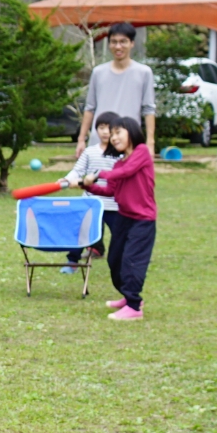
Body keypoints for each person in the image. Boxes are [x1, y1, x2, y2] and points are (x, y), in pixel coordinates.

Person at [64, 115, 154, 320]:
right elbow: (110, 191)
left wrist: (97, 175)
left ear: (131, 131)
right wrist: (85, 185)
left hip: (142, 219)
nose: (113, 137)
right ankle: (129, 297)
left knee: (132, 261)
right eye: (111, 134)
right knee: (115, 260)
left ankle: (134, 307)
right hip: (123, 217)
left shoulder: (141, 152)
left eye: (118, 132)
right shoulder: (119, 164)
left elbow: (127, 172)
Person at [77, 23, 156, 157]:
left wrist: (150, 142)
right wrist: (81, 139)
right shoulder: (98, 72)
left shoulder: (144, 72)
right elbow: (90, 108)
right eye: (114, 42)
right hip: (99, 142)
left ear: (132, 43)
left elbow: (149, 109)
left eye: (123, 42)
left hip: (129, 142)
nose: (118, 46)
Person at [61, 111, 123, 272]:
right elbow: (78, 170)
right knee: (81, 232)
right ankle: (72, 262)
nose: (105, 132)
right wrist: (67, 180)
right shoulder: (90, 151)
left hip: (114, 205)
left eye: (109, 128)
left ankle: (126, 263)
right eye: (101, 128)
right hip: (90, 202)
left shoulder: (122, 154)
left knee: (121, 236)